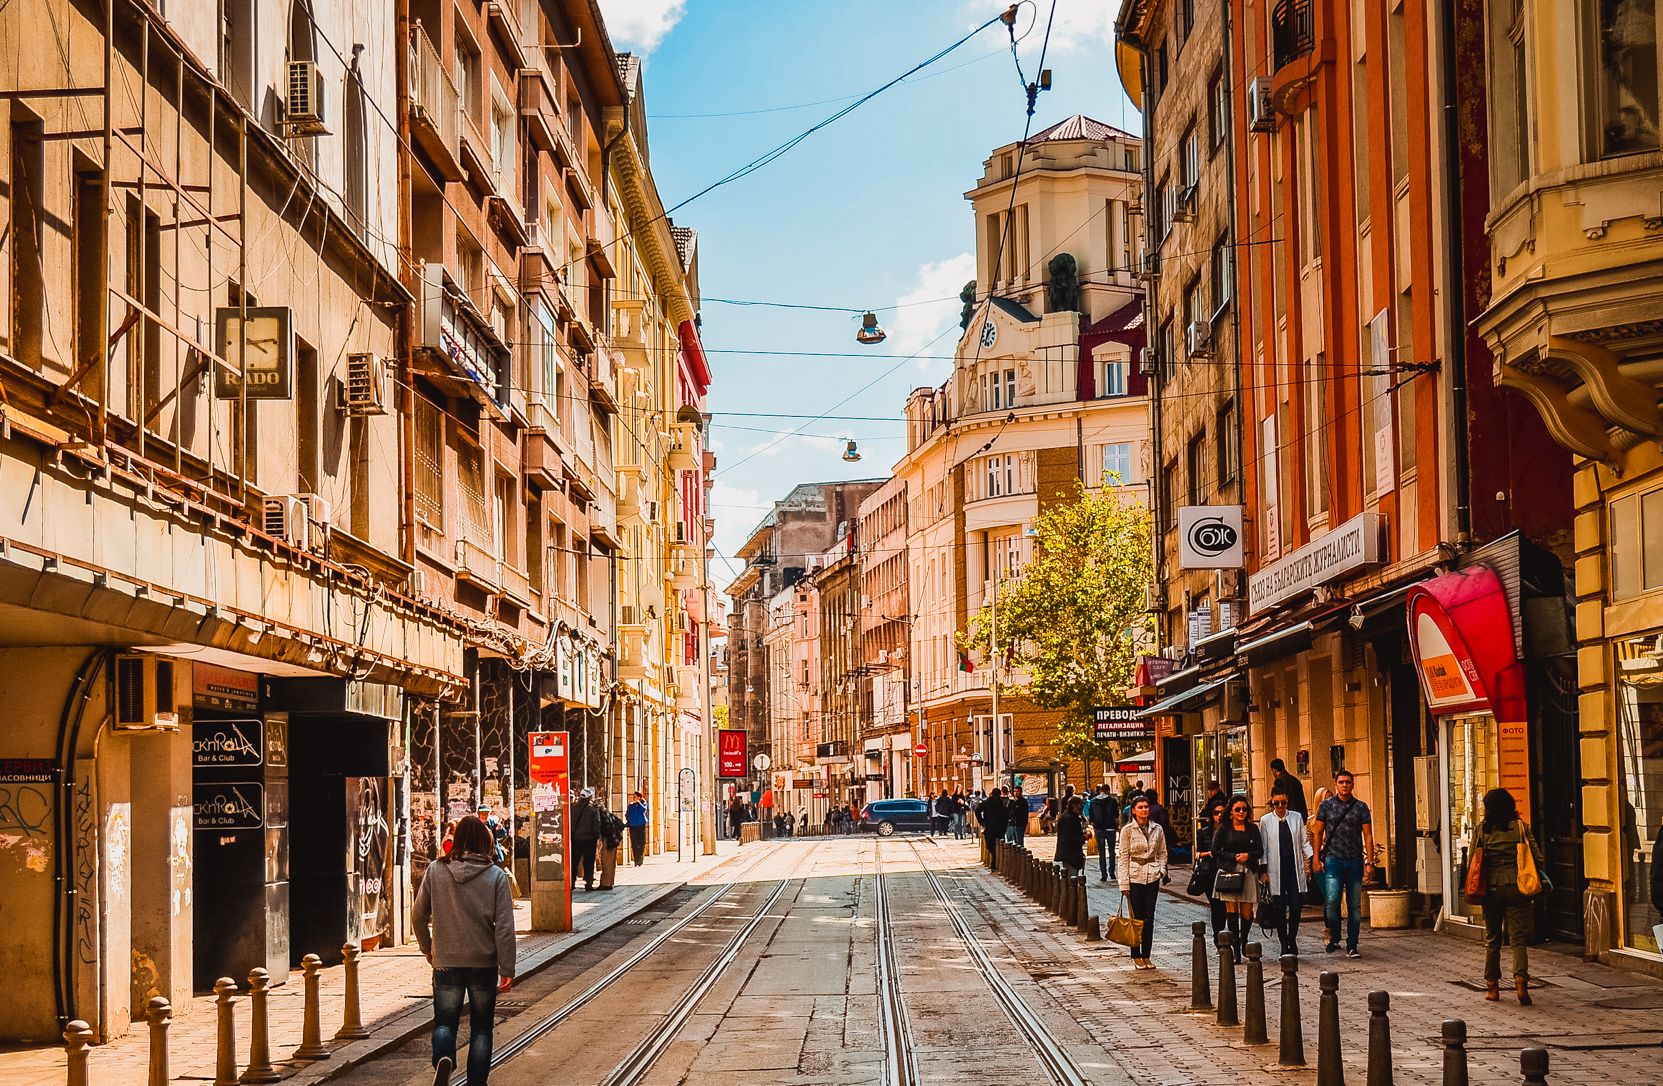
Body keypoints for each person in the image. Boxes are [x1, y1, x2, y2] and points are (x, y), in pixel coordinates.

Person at [414, 817, 514, 1086]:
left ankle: (444, 1057)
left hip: (446, 960)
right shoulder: (496, 876)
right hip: (484, 963)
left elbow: (418, 915)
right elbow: (505, 926)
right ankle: (477, 1083)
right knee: (481, 1028)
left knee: (445, 1022)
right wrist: (507, 967)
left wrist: (427, 948)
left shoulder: (435, 870)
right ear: (485, 841)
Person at [1473, 788, 1550, 1004]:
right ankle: (1521, 984)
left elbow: (1473, 862)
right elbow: (1538, 858)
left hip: (1491, 890)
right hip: (1518, 888)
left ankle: (1492, 988)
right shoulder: (1521, 828)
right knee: (1518, 940)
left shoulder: (1482, 830)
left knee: (1492, 940)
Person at [1310, 770, 1374, 958]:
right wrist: (1316, 858)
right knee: (1332, 900)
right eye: (1341, 782)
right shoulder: (1326, 805)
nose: (1344, 785)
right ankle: (1335, 934)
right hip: (1333, 860)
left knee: (1354, 905)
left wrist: (1370, 862)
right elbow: (1318, 833)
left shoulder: (1361, 807)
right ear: (1336, 784)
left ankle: (1352, 945)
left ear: (1353, 784)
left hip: (1355, 860)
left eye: (1348, 782)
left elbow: (1368, 835)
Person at [1260, 786, 1313, 956]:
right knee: (1280, 908)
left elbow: (1304, 842)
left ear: (1287, 801)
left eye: (1283, 802)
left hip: (1293, 869)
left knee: (1296, 906)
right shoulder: (1266, 820)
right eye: (1276, 803)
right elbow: (1263, 847)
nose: (1280, 806)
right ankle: (1283, 943)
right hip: (1275, 870)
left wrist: (1313, 858)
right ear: (1272, 803)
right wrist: (1263, 871)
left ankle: (1292, 938)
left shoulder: (1296, 817)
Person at [1118, 794, 1168, 969]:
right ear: (1133, 810)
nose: (1144, 810)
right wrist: (1124, 884)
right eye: (1140, 807)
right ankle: (1136, 955)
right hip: (1134, 877)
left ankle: (1147, 955)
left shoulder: (1157, 829)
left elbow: (1162, 852)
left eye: (1146, 807)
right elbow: (1123, 857)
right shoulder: (1127, 830)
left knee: (1149, 918)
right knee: (1136, 918)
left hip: (1152, 876)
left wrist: (1161, 870)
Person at [1211, 794, 1264, 934]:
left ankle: (1244, 940)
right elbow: (1215, 850)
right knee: (1232, 911)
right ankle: (1234, 942)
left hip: (1248, 871)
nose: (1241, 812)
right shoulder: (1223, 828)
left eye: (1244, 809)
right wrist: (1233, 856)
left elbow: (1260, 850)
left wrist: (1248, 855)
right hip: (1229, 872)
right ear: (1231, 811)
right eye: (1237, 809)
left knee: (1247, 913)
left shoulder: (1252, 828)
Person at [1193, 800, 1230, 940]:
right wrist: (1209, 853)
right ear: (1211, 815)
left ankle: (1224, 935)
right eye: (1216, 813)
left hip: (1226, 872)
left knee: (1225, 907)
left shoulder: (1229, 832)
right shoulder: (1204, 832)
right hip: (1209, 873)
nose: (1219, 815)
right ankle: (1217, 935)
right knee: (1216, 905)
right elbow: (1197, 854)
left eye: (1222, 812)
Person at [569, 787, 603, 891]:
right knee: (588, 862)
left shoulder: (573, 807)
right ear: (590, 797)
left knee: (574, 862)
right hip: (589, 840)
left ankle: (572, 883)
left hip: (575, 839)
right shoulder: (593, 809)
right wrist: (597, 837)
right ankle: (588, 883)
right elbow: (596, 824)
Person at [1089, 785, 1120, 882]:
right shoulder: (1112, 801)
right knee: (1112, 850)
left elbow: (1091, 816)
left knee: (1101, 852)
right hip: (1111, 828)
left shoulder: (1093, 801)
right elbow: (1116, 814)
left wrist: (1094, 824)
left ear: (1100, 791)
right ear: (1108, 791)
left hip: (1099, 829)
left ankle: (1103, 874)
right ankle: (1112, 872)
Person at [1055, 796, 1087, 875]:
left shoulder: (1071, 817)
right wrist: (1084, 837)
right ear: (1074, 806)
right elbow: (1067, 839)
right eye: (1080, 804)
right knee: (1071, 878)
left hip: (1071, 855)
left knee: (1072, 877)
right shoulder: (1069, 818)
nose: (1082, 807)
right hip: (1070, 856)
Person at [977, 787, 1011, 858]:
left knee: (990, 845)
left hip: (989, 826)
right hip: (999, 828)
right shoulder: (1002, 804)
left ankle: (994, 857)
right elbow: (1006, 817)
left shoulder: (986, 803)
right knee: (999, 846)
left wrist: (982, 822)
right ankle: (995, 859)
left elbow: (977, 811)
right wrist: (1004, 827)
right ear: (999, 794)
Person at [626, 792, 649, 866]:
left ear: (639, 797)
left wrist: (639, 803)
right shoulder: (631, 805)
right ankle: (636, 860)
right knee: (634, 843)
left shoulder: (643, 804)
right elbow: (627, 814)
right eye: (633, 797)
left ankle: (640, 858)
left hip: (641, 824)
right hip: (633, 825)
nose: (634, 798)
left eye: (635, 797)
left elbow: (643, 810)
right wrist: (629, 819)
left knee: (641, 843)